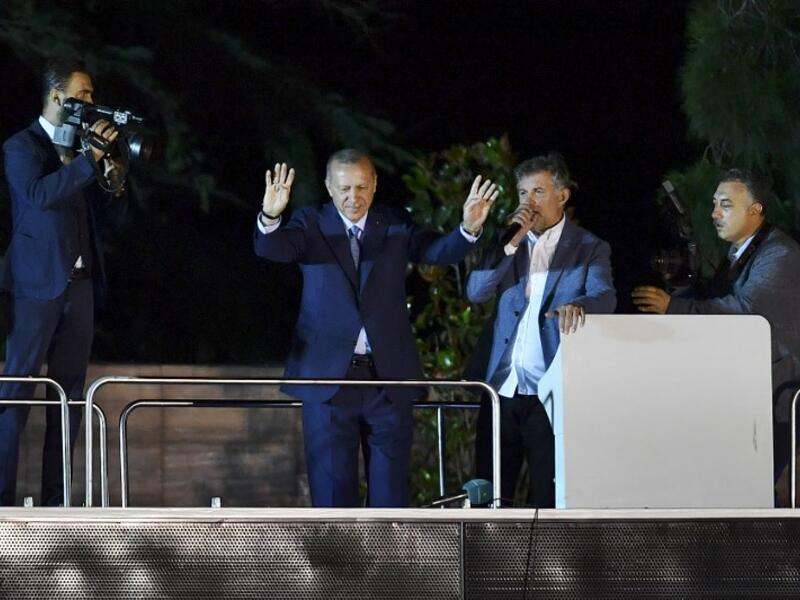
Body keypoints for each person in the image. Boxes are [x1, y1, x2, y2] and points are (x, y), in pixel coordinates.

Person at [253, 149, 496, 507]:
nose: (355, 197)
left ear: (375, 184)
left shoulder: (394, 224)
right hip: (328, 383)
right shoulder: (310, 223)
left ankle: (388, 564)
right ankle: (340, 564)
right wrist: (271, 216)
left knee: (391, 500)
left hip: (389, 381)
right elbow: (272, 249)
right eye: (345, 188)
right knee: (334, 501)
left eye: (363, 187)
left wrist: (468, 229)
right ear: (329, 187)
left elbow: (437, 250)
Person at [0, 59, 127, 506]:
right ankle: (3, 500)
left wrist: (114, 177)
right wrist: (87, 162)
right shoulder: (21, 146)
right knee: (15, 391)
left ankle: (58, 502)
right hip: (34, 286)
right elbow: (38, 197)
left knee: (70, 395)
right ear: (57, 97)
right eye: (84, 94)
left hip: (80, 285)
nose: (91, 103)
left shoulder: (83, 148)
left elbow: (108, 221)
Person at [632, 169, 800, 485]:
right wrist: (682, 287)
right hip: (747, 400)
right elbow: (713, 302)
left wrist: (674, 308)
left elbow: (745, 315)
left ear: (756, 209)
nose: (714, 213)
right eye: (714, 204)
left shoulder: (779, 254)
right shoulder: (740, 255)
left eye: (725, 204)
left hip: (776, 406)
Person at [467, 152, 616, 507]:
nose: (527, 203)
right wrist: (508, 244)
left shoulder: (589, 247)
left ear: (561, 196)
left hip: (549, 397)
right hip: (500, 393)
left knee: (547, 501)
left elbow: (604, 295)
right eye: (521, 194)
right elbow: (476, 292)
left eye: (537, 192)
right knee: (488, 498)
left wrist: (580, 306)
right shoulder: (507, 244)